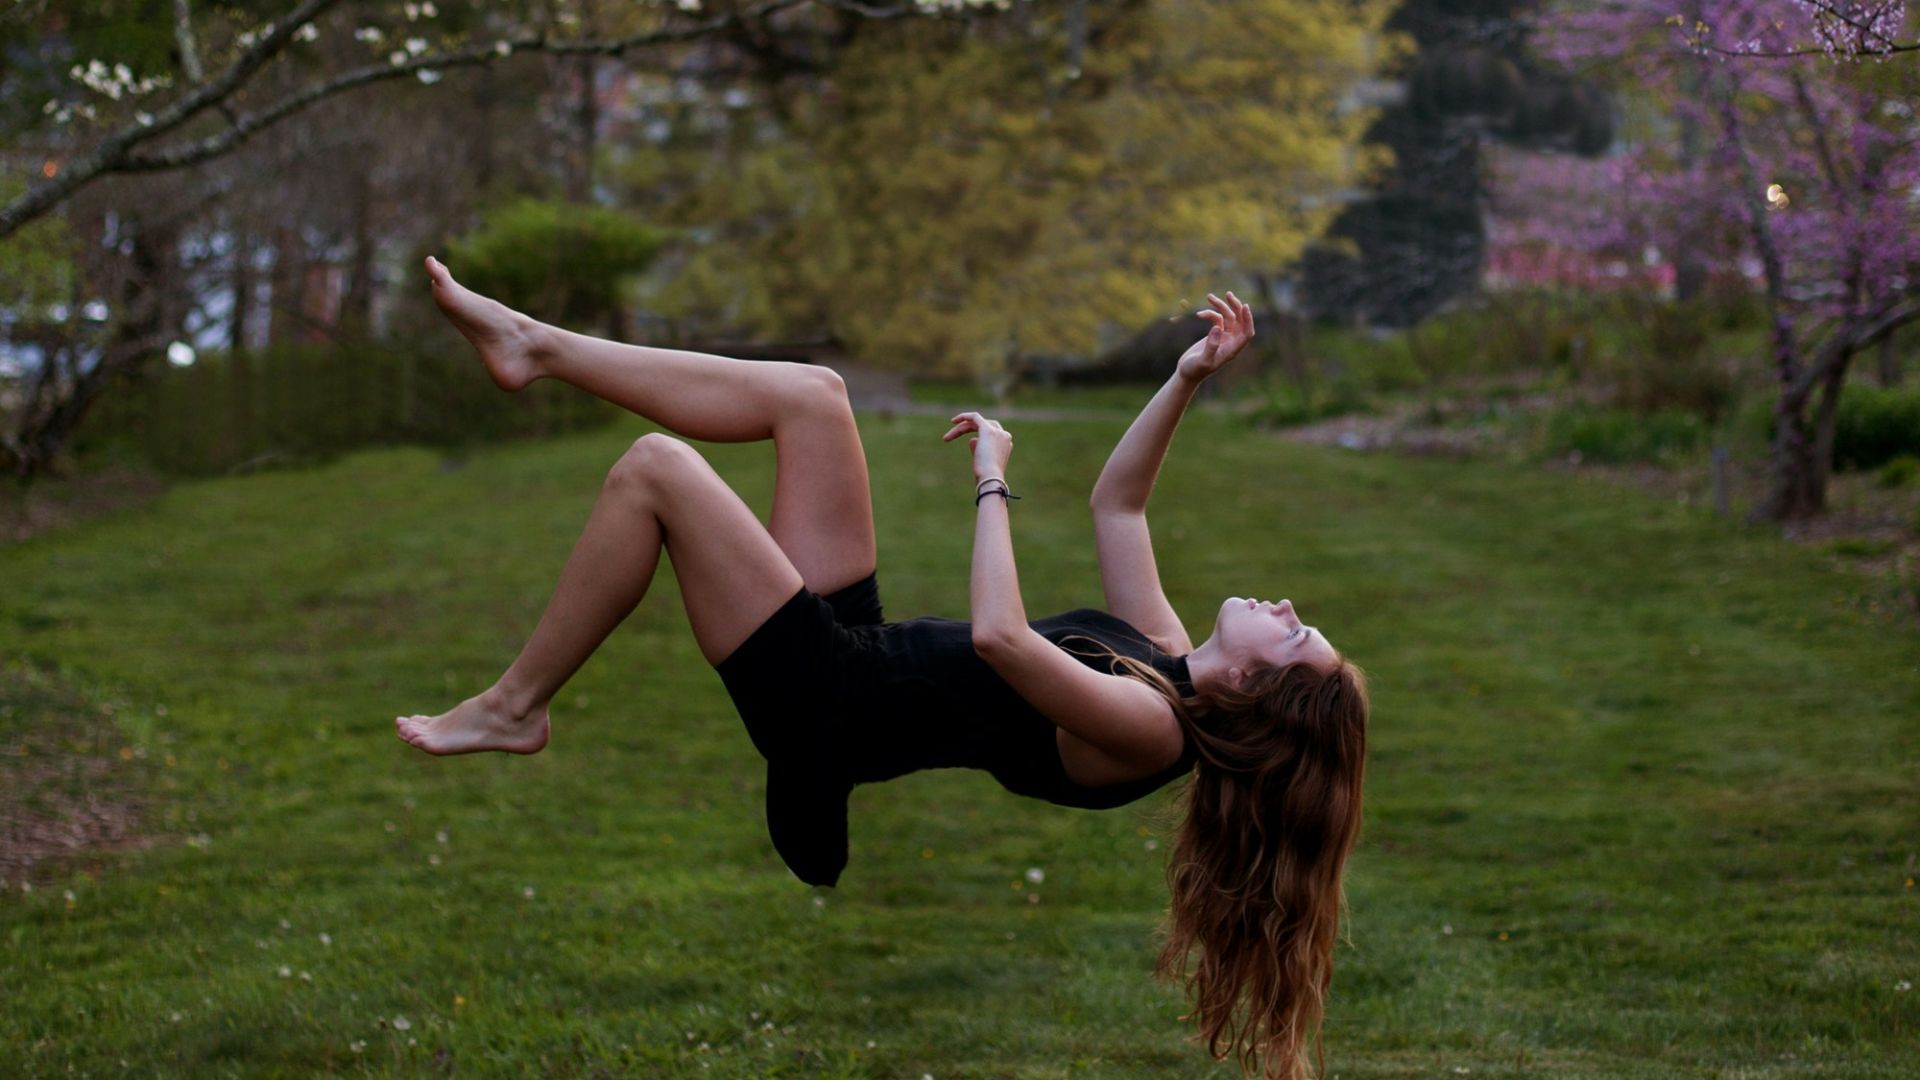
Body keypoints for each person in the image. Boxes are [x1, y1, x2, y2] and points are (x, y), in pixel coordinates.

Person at [396, 257, 1369, 1080]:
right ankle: (536, 345)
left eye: (1293, 634)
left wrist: (992, 478)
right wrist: (1190, 375)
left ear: (1252, 691)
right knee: (813, 396)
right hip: (857, 650)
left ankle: (514, 706)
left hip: (826, 705)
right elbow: (1120, 506)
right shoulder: (1166, 661)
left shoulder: (1151, 729)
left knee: (659, 469)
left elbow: (1003, 639)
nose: (1286, 608)